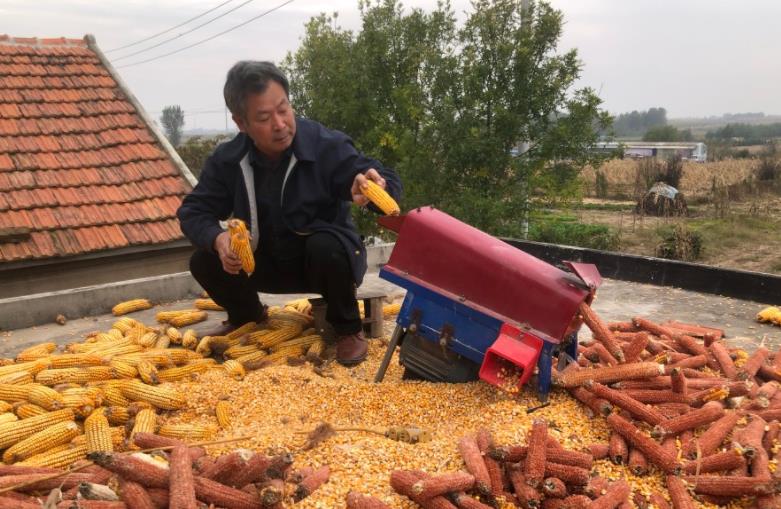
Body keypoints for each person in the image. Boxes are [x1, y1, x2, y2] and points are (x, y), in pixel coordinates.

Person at [176, 61, 402, 366]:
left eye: (283, 109)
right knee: (203, 260)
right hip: (264, 263)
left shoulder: (324, 145)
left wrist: (375, 187)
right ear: (241, 123)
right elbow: (193, 211)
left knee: (326, 246)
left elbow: (379, 177)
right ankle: (247, 315)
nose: (280, 124)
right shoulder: (228, 160)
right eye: (264, 118)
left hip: (324, 264)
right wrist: (217, 239)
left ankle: (347, 328)